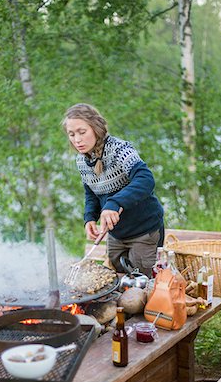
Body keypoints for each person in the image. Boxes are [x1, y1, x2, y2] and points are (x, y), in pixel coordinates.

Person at [62, 103, 164, 277]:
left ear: (96, 128)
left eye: (82, 132)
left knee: (140, 285)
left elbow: (145, 179)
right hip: (116, 235)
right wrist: (89, 218)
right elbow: (91, 194)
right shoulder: (82, 161)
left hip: (144, 231)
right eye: (72, 134)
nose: (77, 140)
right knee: (117, 284)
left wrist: (115, 202)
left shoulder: (120, 149)